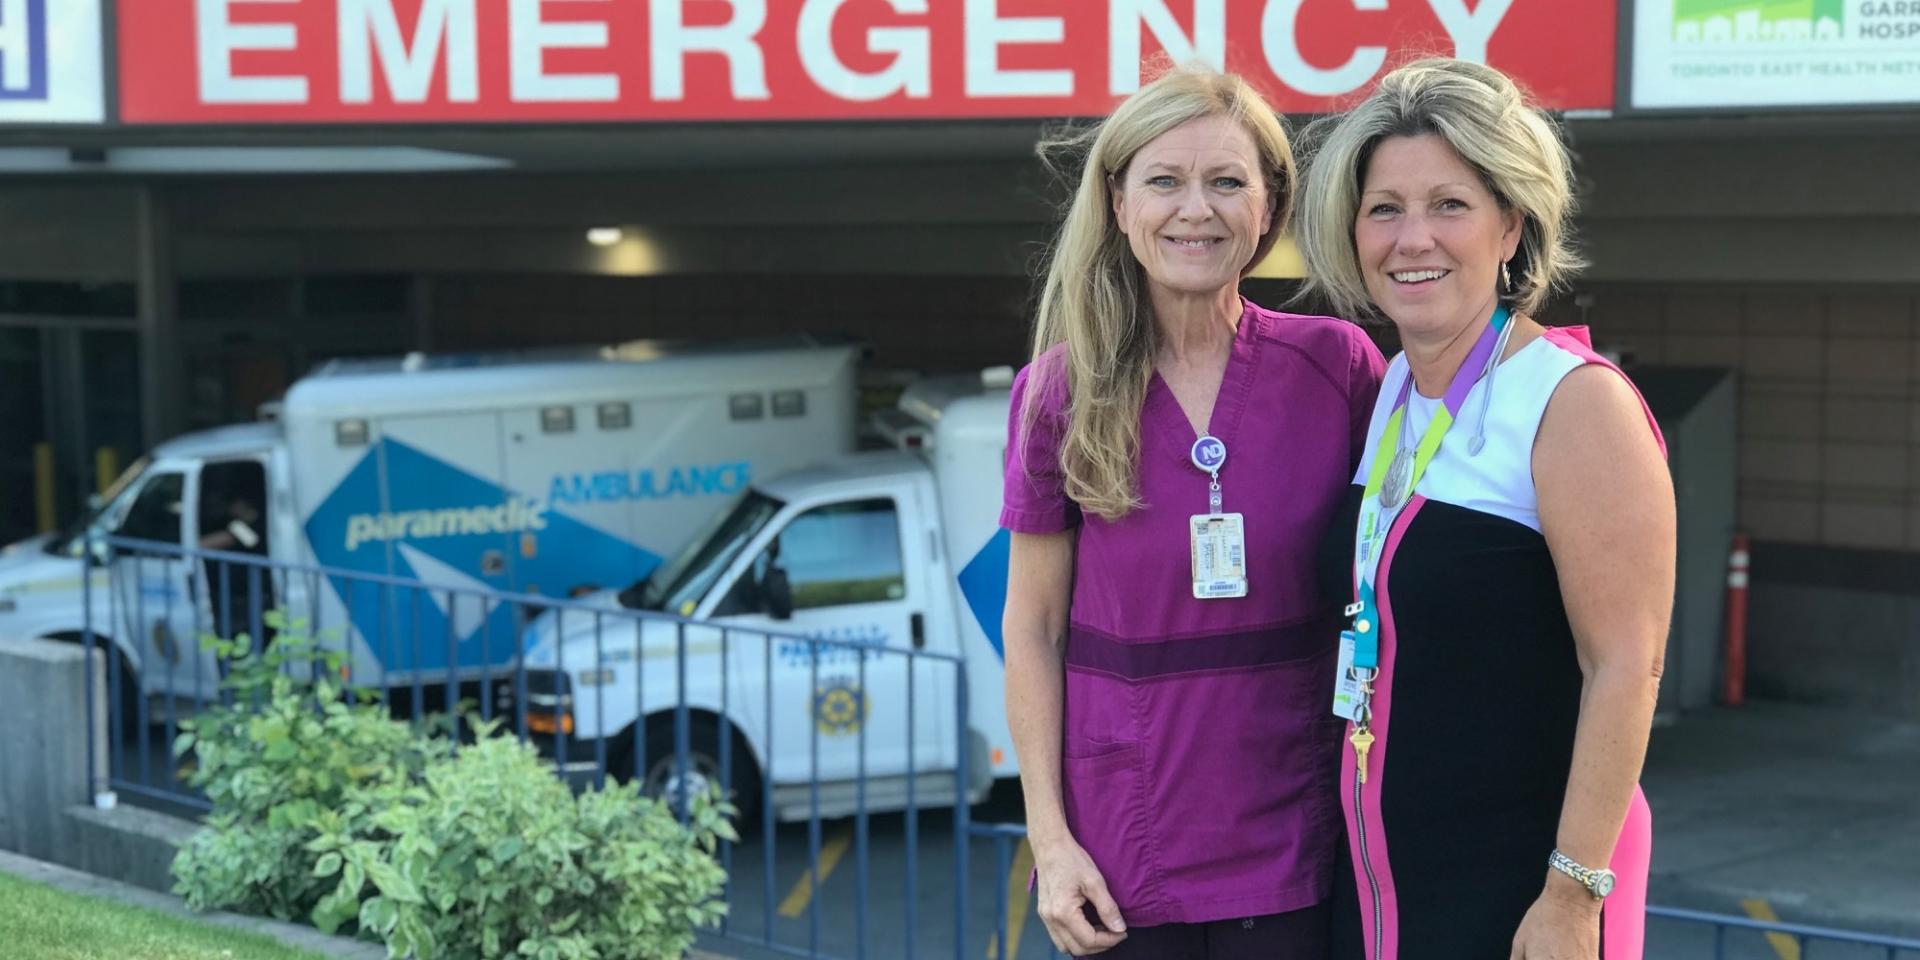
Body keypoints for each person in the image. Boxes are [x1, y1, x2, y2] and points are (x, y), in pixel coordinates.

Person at [1293, 58, 1673, 960]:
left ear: (1512, 224)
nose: (1411, 237)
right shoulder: (1393, 390)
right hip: (1388, 881)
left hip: (1519, 892)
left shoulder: (1572, 402)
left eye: (1449, 205)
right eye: (1384, 208)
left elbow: (1627, 663)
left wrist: (1573, 894)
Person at [1001, 64, 1385, 958]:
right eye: (1165, 181)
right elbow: (1033, 628)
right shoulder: (1058, 393)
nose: (1195, 210)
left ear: (1269, 206)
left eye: (1226, 182)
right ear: (1119, 201)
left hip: (1298, 833)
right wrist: (1049, 844)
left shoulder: (1341, 368)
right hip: (1121, 851)